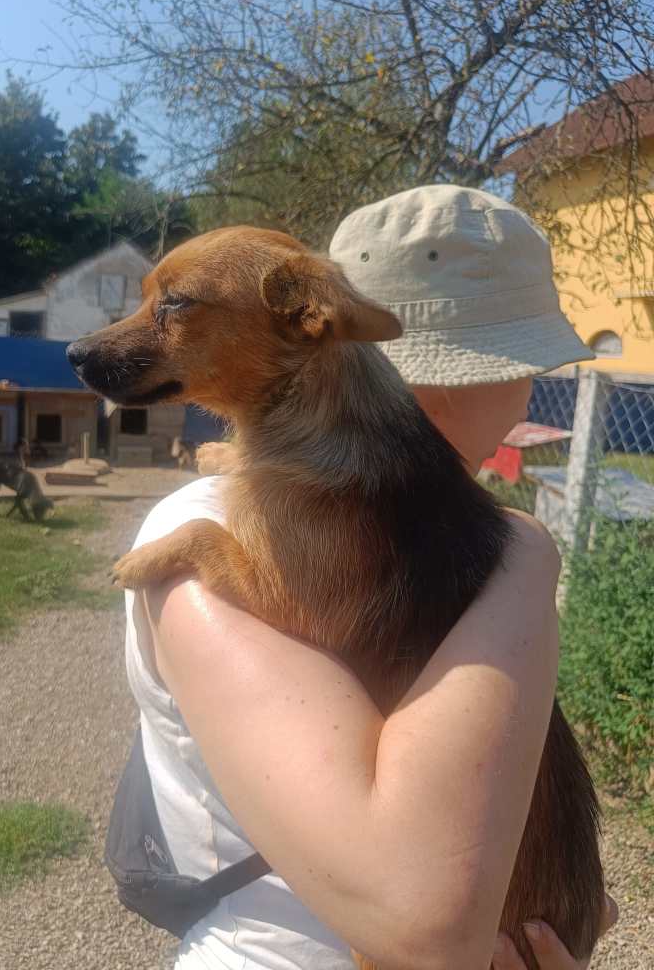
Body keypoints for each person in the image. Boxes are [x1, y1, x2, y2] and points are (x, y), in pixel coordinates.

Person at [123, 186, 617, 969]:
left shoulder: (432, 525)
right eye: (531, 363)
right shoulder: (212, 524)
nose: (530, 386)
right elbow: (423, 919)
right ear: (470, 379)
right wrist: (530, 557)